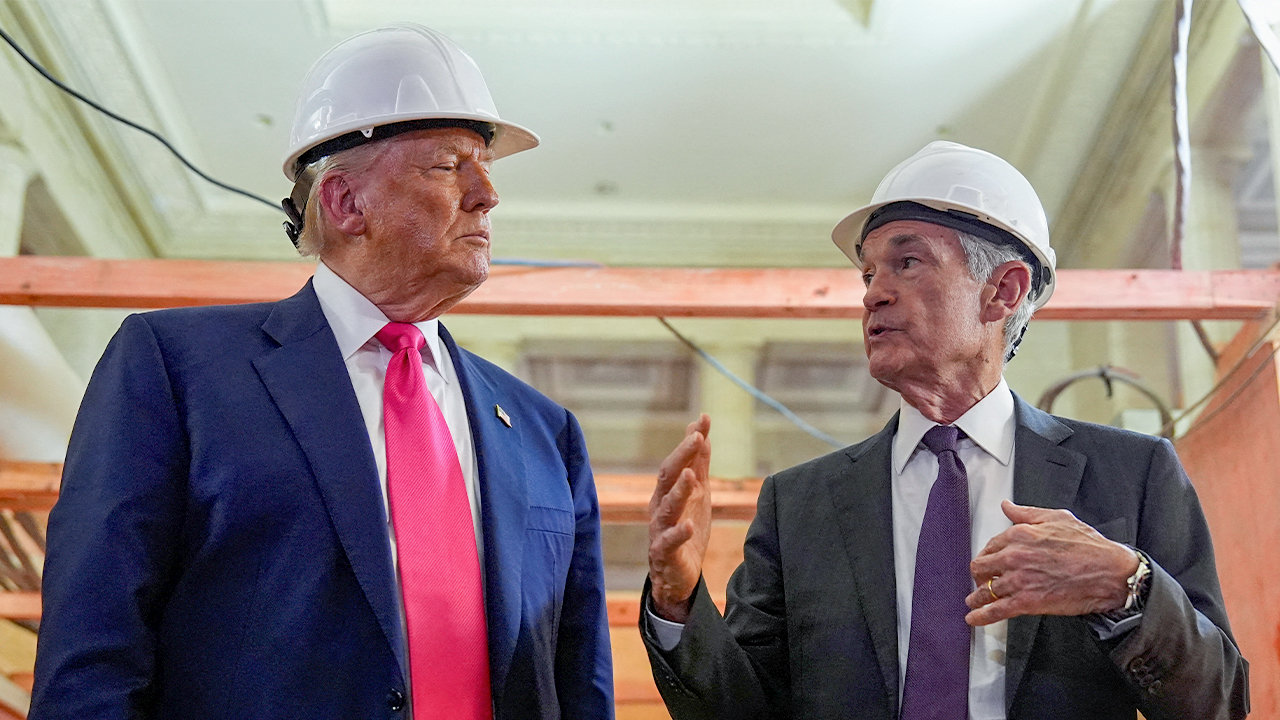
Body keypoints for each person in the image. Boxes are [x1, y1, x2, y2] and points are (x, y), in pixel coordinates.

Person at [30, 24, 613, 720]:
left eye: (484, 167)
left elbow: (578, 681)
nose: (487, 194)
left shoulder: (547, 433)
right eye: (448, 165)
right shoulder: (175, 368)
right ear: (345, 203)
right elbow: (91, 654)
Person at [641, 141, 1249, 719]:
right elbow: (743, 710)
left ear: (1003, 290)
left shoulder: (1132, 474)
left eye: (907, 263)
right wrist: (677, 599)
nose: (874, 295)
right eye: (868, 274)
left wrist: (1126, 586)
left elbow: (1218, 702)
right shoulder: (799, 504)